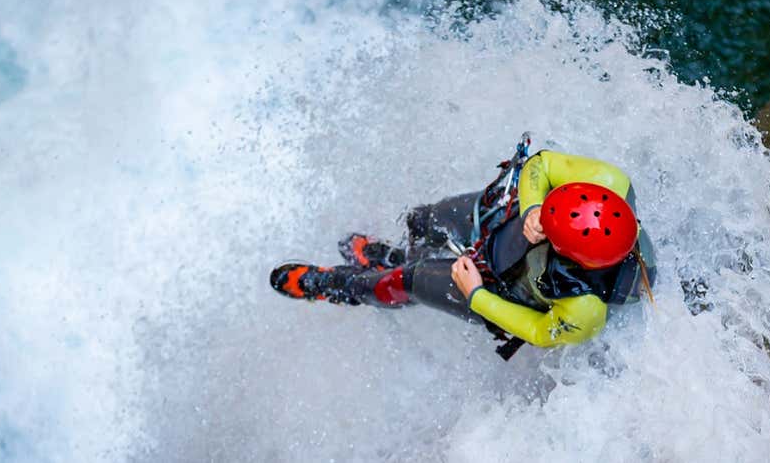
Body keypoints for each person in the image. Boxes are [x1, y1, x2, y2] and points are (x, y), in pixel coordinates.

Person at [269, 149, 655, 357]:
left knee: (411, 281)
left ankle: (342, 286)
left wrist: (477, 295)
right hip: (504, 221)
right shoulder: (611, 181)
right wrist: (533, 207)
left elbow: (540, 331)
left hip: (500, 286)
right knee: (425, 219)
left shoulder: (586, 309)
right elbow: (543, 163)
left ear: (570, 256)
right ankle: (397, 254)